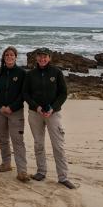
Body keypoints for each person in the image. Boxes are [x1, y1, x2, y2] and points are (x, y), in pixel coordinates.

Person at [23, 47, 76, 189]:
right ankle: (41, 172)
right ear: (36, 58)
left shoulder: (56, 73)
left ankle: (63, 177)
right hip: (35, 113)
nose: (42, 59)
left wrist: (52, 108)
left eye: (45, 56)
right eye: (40, 56)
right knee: (38, 144)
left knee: (58, 145)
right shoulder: (30, 74)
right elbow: (26, 94)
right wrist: (37, 107)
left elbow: (63, 93)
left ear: (49, 58)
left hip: (53, 113)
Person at [0, 46, 29, 182]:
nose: (9, 57)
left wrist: (12, 107)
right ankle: (6, 164)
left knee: (18, 141)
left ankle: (22, 171)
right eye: (7, 55)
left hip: (15, 112)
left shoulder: (22, 73)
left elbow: (24, 93)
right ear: (3, 57)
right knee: (3, 139)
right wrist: (0, 106)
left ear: (16, 57)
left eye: (12, 55)